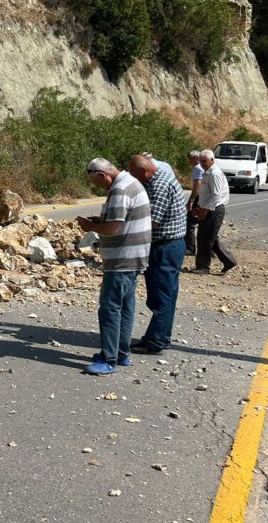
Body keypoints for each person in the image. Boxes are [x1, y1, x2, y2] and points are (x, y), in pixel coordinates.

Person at [76, 158, 151, 375]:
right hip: (133, 257)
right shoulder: (129, 183)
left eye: (97, 182)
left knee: (109, 308)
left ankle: (109, 359)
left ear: (102, 175)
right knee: (125, 307)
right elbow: (120, 218)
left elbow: (113, 227)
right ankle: (121, 353)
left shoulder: (119, 189)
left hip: (122, 259)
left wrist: (91, 226)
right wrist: (99, 220)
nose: (97, 186)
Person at [127, 155, 186, 355]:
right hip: (170, 246)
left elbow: (151, 222)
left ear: (145, 171)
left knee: (161, 297)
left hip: (165, 247)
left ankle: (155, 341)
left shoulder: (160, 185)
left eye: (136, 176)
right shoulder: (158, 178)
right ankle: (162, 337)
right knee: (167, 295)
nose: (135, 180)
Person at [191, 148, 238, 274]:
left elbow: (216, 195)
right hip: (207, 208)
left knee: (206, 239)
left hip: (214, 210)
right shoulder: (206, 173)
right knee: (208, 237)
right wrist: (198, 206)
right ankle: (229, 261)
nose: (202, 164)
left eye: (204, 161)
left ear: (212, 160)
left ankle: (203, 267)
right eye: (200, 161)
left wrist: (205, 210)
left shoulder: (214, 173)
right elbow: (205, 194)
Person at [185, 150, 203, 256]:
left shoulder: (197, 168)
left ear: (196, 158)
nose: (189, 161)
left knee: (190, 223)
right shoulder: (203, 167)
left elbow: (197, 184)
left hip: (198, 198)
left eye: (190, 158)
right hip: (204, 198)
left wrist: (191, 200)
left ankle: (190, 248)